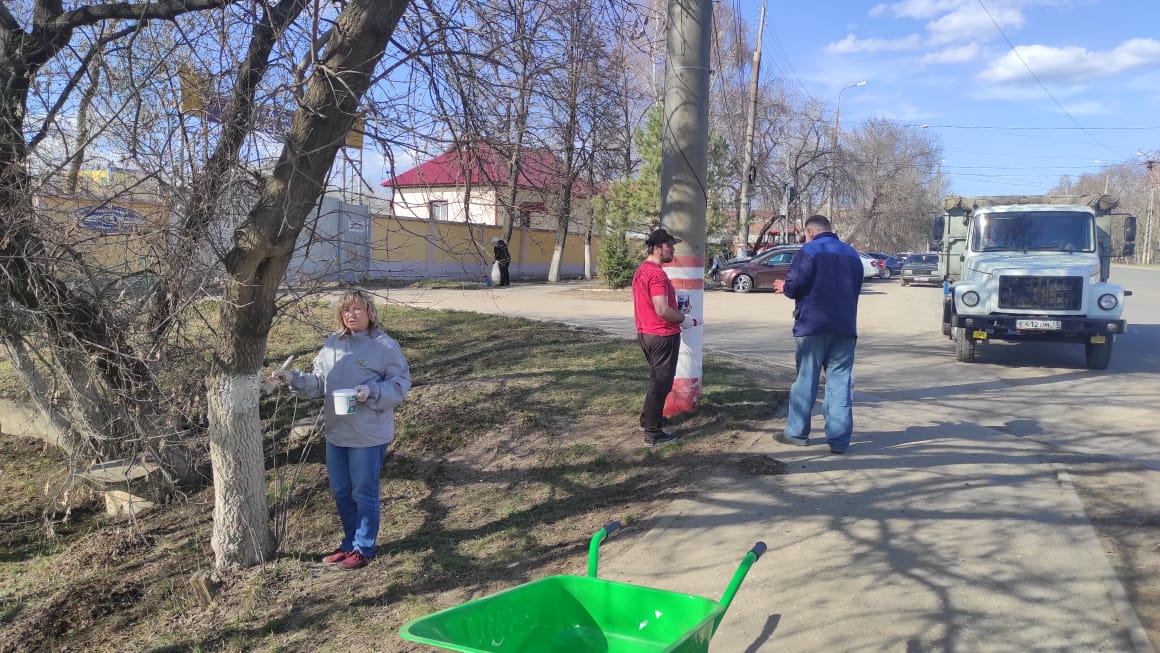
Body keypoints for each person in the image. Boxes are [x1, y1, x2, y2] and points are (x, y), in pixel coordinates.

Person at [268, 290, 412, 569]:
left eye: (357, 309)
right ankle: (348, 544)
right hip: (337, 432)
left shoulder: (384, 346)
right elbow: (319, 382)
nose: (351, 315)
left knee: (363, 491)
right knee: (342, 490)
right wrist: (293, 380)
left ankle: (364, 548)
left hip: (368, 434)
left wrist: (369, 391)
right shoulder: (333, 343)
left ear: (370, 312)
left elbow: (399, 386)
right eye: (346, 310)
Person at [772, 215, 863, 454]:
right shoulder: (852, 254)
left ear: (810, 232)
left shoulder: (809, 250)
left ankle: (797, 433)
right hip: (845, 327)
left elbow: (795, 286)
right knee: (840, 384)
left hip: (812, 327)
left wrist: (785, 287)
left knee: (806, 381)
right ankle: (839, 440)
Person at [632, 228, 699, 447]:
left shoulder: (642, 270)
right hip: (662, 335)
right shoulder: (657, 274)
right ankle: (653, 434)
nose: (673, 249)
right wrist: (683, 319)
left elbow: (653, 303)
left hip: (646, 333)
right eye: (670, 245)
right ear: (657, 247)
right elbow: (661, 309)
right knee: (661, 384)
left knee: (656, 381)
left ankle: (648, 420)